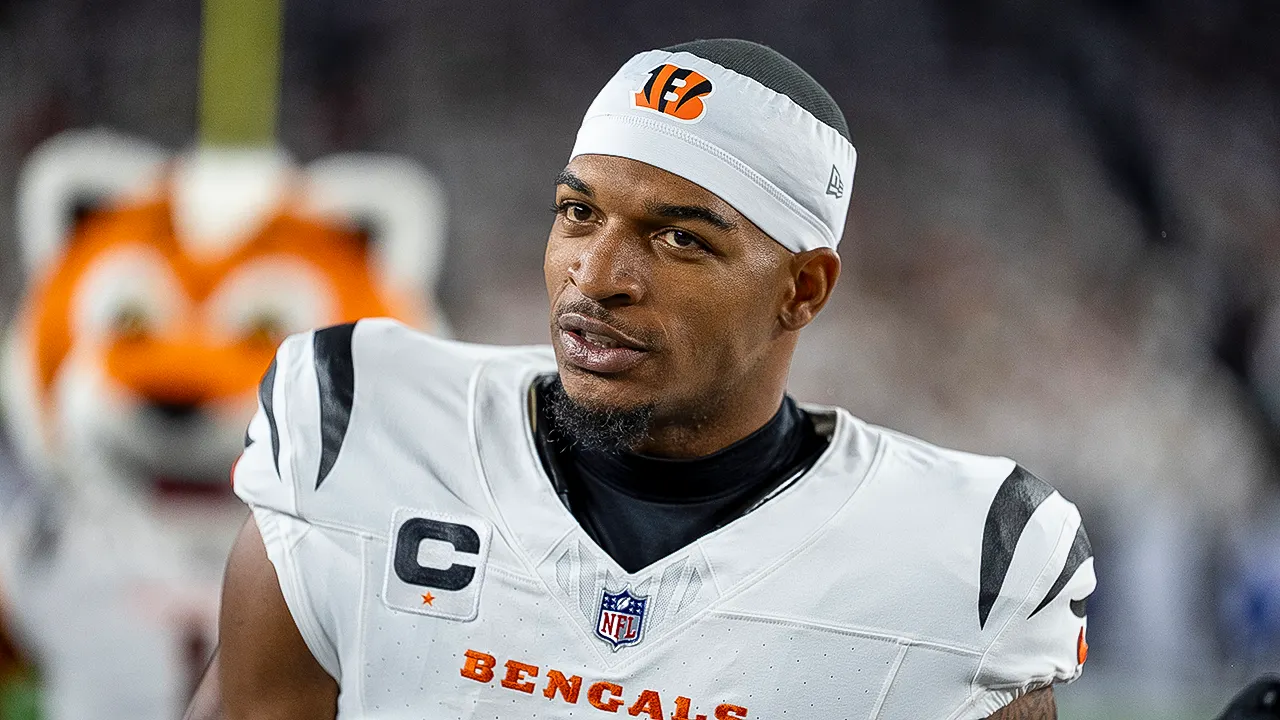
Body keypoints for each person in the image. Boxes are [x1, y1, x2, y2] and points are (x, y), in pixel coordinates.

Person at [193, 38, 1095, 719]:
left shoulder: (961, 560)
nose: (595, 277)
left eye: (678, 238)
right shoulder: (362, 424)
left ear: (802, 289)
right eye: (578, 213)